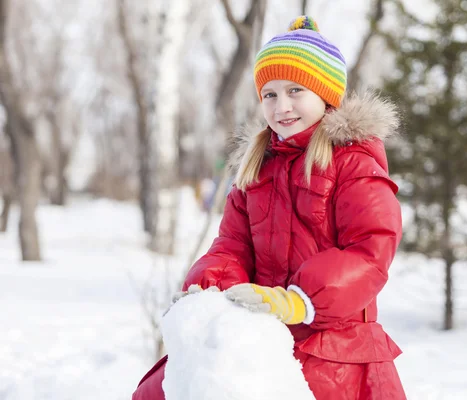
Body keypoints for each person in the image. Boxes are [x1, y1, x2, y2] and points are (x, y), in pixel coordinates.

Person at [133, 15, 407, 400]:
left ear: (327, 95)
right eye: (270, 94)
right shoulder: (257, 167)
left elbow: (370, 249)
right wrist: (209, 289)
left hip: (334, 341)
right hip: (262, 331)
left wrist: (300, 300)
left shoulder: (354, 163)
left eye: (296, 90)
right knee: (163, 389)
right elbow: (232, 244)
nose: (282, 106)